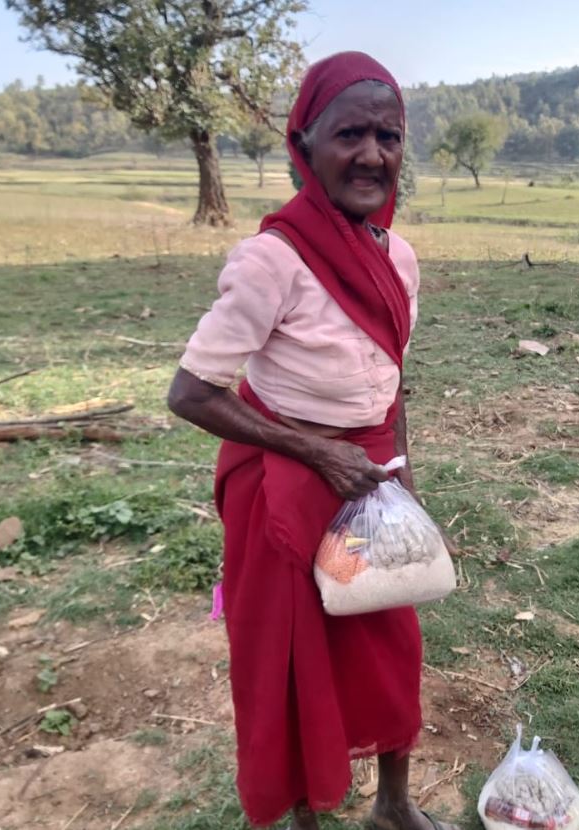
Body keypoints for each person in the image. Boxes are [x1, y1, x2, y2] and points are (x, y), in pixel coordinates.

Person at [168, 51, 457, 830]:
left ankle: (393, 806)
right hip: (286, 493)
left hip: (371, 480)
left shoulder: (398, 258)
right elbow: (192, 392)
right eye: (350, 134)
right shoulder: (271, 260)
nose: (372, 155)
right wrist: (316, 451)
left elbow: (392, 378)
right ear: (305, 145)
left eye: (388, 137)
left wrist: (406, 477)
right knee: (294, 667)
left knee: (391, 646)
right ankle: (307, 819)